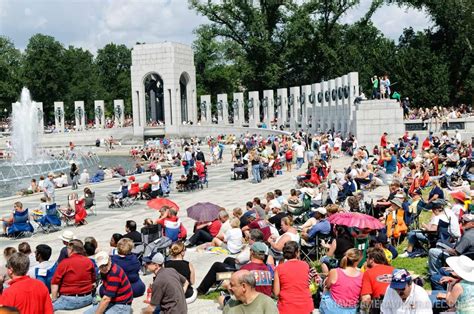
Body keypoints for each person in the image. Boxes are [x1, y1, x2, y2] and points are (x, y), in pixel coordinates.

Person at [51, 239, 96, 311]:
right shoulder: (89, 261)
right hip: (88, 298)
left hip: (69, 300)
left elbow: (55, 283)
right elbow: (93, 281)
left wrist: (54, 300)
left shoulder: (64, 263)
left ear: (71, 249)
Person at [273, 241, 313, 314]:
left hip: (287, 307)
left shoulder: (279, 268)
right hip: (305, 306)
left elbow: (276, 292)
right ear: (297, 252)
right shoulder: (305, 265)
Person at [320, 248, 363, 314]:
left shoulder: (335, 271)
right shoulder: (362, 275)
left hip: (333, 309)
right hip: (351, 310)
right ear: (358, 261)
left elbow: (327, 286)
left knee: (326, 290)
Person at [360, 248, 394, 312]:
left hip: (380, 306)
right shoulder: (394, 270)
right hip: (398, 304)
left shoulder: (368, 273)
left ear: (372, 260)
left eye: (367, 258)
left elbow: (366, 298)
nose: (366, 260)